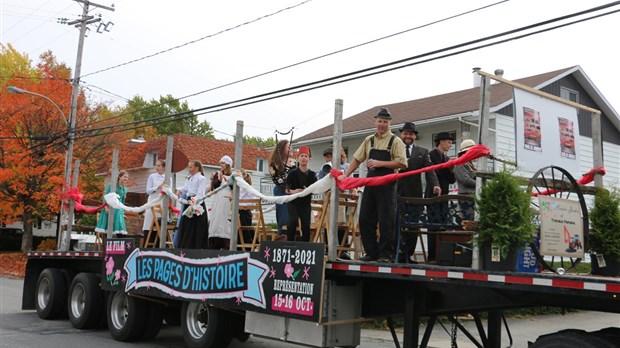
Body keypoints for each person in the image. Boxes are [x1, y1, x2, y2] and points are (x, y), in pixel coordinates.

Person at [339, 107, 407, 262]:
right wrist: (346, 175)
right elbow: (357, 159)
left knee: (386, 220)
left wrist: (380, 163)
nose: (382, 124)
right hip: (371, 183)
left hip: (387, 184)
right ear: (375, 122)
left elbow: (402, 164)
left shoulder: (395, 141)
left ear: (390, 123)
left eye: (385, 122)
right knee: (365, 218)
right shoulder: (369, 140)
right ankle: (371, 252)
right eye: (380, 121)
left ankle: (385, 254)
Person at [396, 122, 440, 263]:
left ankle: (407, 255)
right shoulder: (394, 149)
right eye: (405, 133)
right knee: (395, 224)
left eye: (411, 134)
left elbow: (430, 170)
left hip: (414, 194)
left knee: (413, 226)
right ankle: (395, 254)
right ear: (401, 134)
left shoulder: (423, 151)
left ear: (415, 136)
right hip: (395, 193)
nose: (408, 136)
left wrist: (435, 185)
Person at [425, 131, 456, 262]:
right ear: (441, 142)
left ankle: (441, 255)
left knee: (443, 224)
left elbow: (451, 180)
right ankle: (432, 255)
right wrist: (446, 167)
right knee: (433, 225)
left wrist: (451, 169)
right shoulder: (431, 155)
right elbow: (432, 173)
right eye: (449, 142)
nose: (450, 145)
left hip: (444, 194)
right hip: (433, 194)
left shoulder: (447, 158)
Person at [285, 146, 317, 242]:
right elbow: (286, 190)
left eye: (306, 156)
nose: (303, 158)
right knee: (292, 222)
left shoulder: (312, 175)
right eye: (302, 156)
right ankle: (289, 245)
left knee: (306, 225)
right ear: (298, 158)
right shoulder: (292, 173)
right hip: (293, 203)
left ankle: (305, 247)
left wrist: (308, 190)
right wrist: (295, 191)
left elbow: (315, 189)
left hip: (305, 203)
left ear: (309, 159)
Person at [177, 160, 208, 249]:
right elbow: (186, 188)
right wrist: (179, 190)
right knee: (187, 225)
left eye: (191, 167)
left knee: (195, 226)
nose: (189, 169)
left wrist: (194, 202)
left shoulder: (201, 178)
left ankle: (196, 246)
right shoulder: (189, 177)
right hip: (188, 201)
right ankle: (186, 246)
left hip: (197, 202)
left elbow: (200, 193)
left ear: (197, 168)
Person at [208, 156, 234, 250]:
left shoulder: (233, 175)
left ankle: (225, 243)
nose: (221, 165)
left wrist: (228, 181)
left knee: (225, 219)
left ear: (227, 164)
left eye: (223, 163)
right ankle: (214, 243)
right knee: (216, 218)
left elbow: (234, 188)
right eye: (220, 163)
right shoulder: (218, 174)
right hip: (218, 198)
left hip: (227, 199)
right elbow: (214, 187)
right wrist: (218, 179)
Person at [269, 139, 293, 237]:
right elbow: (277, 180)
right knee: (284, 217)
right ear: (282, 149)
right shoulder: (275, 164)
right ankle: (282, 237)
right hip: (281, 191)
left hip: (293, 192)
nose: (291, 148)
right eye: (288, 147)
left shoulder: (294, 163)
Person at [95, 170, 129, 235]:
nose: (126, 178)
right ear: (119, 177)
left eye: (127, 177)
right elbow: (105, 197)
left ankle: (119, 243)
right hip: (110, 208)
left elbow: (122, 202)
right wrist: (106, 208)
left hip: (119, 210)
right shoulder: (111, 186)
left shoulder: (125, 189)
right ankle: (106, 244)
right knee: (108, 227)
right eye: (124, 177)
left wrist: (123, 212)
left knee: (120, 227)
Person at [142, 160, 169, 240]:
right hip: (153, 199)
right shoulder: (152, 176)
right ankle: (148, 240)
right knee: (150, 220)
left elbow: (169, 190)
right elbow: (148, 190)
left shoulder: (168, 177)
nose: (156, 168)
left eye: (159, 166)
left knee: (161, 220)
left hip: (162, 200)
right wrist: (158, 187)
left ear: (164, 167)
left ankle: (160, 242)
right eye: (156, 166)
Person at [454, 139, 477, 221]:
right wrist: (479, 184)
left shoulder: (470, 164)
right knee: (468, 221)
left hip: (472, 196)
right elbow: (465, 180)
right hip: (466, 197)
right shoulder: (460, 163)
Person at [238, 170, 257, 246]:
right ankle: (240, 244)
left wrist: (245, 205)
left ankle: (247, 244)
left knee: (245, 229)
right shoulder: (239, 188)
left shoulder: (248, 187)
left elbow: (254, 200)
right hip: (240, 211)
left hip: (245, 212)